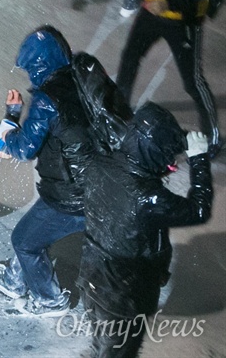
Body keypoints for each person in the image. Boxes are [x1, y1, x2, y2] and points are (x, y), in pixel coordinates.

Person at [0, 25, 133, 318]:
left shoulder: (48, 99)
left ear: (38, 65)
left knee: (24, 241)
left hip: (73, 197)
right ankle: (14, 278)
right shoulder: (82, 75)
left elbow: (24, 148)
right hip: (102, 182)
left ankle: (50, 300)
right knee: (36, 231)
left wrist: (8, 125)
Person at [76, 102, 213, 357]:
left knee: (103, 340)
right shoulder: (147, 197)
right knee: (119, 350)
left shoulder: (98, 166)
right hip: (123, 296)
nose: (171, 161)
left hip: (92, 276)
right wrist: (199, 160)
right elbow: (198, 210)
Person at [116, 0, 221, 158]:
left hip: (182, 17)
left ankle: (212, 137)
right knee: (129, 60)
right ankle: (118, 115)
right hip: (151, 10)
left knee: (193, 81)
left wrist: (168, 3)